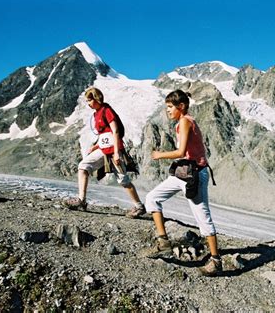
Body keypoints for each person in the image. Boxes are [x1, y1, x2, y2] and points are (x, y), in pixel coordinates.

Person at [144, 89, 222, 276]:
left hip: (194, 174)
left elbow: (180, 152)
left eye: (170, 107)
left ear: (181, 106)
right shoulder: (182, 122)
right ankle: (163, 242)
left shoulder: (186, 121)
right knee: (152, 198)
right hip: (183, 172)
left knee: (203, 217)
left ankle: (216, 261)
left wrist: (158, 155)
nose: (167, 111)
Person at [65, 87, 146, 218]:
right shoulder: (96, 113)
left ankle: (139, 206)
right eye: (87, 101)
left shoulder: (107, 110)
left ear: (97, 98)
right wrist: (96, 146)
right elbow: (105, 134)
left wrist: (116, 152)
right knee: (83, 166)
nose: (88, 103)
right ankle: (81, 200)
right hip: (103, 150)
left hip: (113, 151)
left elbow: (115, 131)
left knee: (123, 180)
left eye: (90, 100)